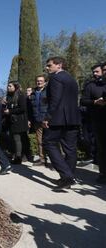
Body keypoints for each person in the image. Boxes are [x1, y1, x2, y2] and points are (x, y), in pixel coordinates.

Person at [43, 57, 80, 191]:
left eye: (49, 65)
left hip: (58, 118)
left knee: (49, 143)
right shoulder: (71, 79)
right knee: (70, 149)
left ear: (59, 65)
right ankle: (68, 178)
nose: (47, 68)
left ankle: (67, 176)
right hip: (73, 118)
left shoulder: (55, 78)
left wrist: (48, 117)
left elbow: (56, 99)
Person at [80, 63, 106, 184]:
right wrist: (95, 102)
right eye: (93, 72)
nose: (94, 74)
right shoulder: (90, 86)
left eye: (97, 71)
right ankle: (103, 173)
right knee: (102, 148)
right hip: (98, 121)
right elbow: (83, 100)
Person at [3, 81, 29, 164]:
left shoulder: (21, 96)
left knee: (18, 139)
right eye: (8, 86)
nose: (8, 87)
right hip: (12, 121)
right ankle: (20, 155)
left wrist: (10, 111)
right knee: (16, 139)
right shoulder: (9, 96)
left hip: (19, 121)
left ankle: (18, 158)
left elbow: (22, 108)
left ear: (15, 87)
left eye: (10, 86)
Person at [29, 75, 48, 166]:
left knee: (52, 141)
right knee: (39, 140)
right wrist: (30, 119)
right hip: (37, 120)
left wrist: (48, 118)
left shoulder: (48, 91)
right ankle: (42, 159)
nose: (39, 82)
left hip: (47, 120)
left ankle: (57, 161)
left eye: (41, 81)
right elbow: (30, 108)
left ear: (45, 82)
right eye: (37, 81)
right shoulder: (33, 93)